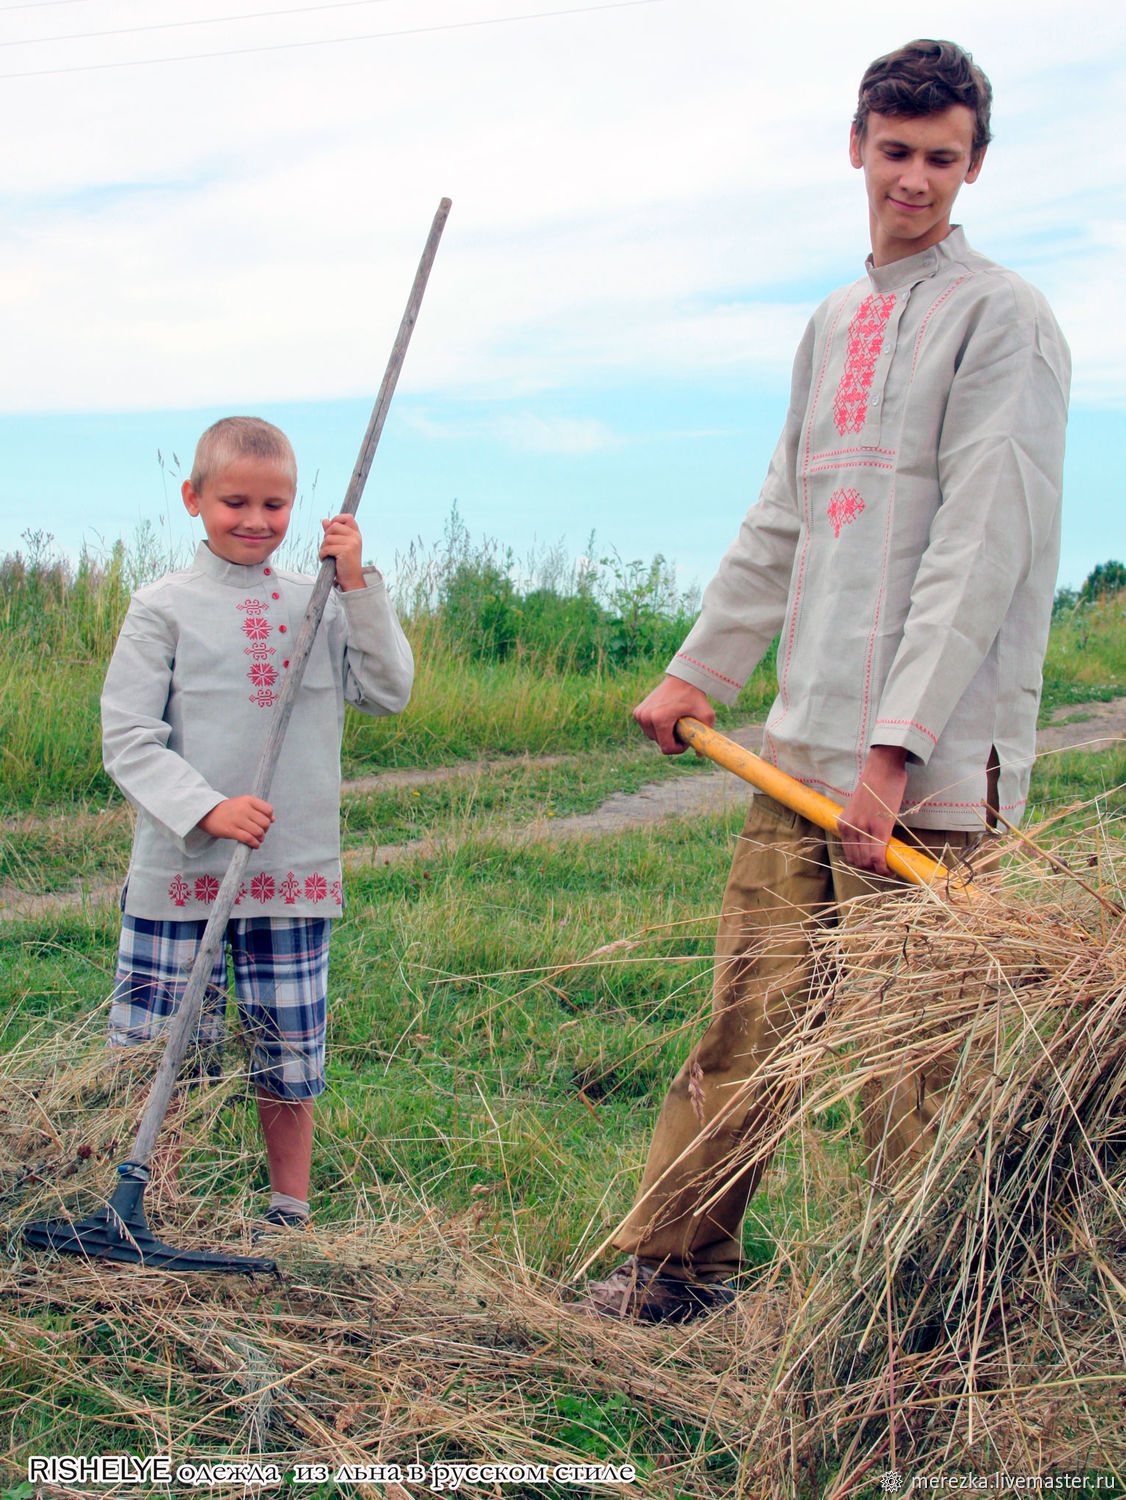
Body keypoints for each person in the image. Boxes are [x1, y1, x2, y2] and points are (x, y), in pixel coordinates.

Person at [579, 39, 1070, 1322]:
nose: (913, 180)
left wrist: (895, 754)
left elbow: (980, 543)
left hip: (933, 771)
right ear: (856, 145)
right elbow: (784, 515)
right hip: (799, 754)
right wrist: (699, 671)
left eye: (941, 158)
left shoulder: (1002, 317)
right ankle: (675, 1269)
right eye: (895, 151)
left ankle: (915, 1322)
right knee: (748, 1022)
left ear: (975, 166)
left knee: (911, 1070)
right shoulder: (832, 322)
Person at [101, 416, 414, 1235]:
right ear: (193, 498)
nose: (255, 520)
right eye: (234, 500)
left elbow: (389, 691)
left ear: (295, 507)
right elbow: (128, 739)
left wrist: (358, 584)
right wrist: (206, 808)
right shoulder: (162, 607)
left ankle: (289, 1211)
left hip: (292, 870)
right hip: (182, 873)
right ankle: (150, 1203)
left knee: (289, 1051)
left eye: (274, 504)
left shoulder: (319, 604)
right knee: (162, 1050)